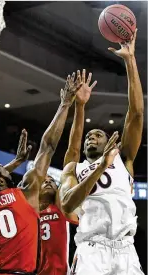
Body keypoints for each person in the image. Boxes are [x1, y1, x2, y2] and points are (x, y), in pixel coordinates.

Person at [0, 70, 98, 275]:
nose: (9, 169)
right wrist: (65, 104)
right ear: (1, 181)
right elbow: (48, 146)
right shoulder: (25, 196)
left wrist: (8, 167)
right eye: (4, 169)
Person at [60, 29, 145, 275]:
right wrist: (79, 106)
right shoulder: (74, 168)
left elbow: (137, 114)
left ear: (110, 143)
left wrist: (130, 61)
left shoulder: (123, 159)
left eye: (97, 134)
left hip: (126, 248)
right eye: (88, 135)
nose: (90, 136)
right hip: (92, 249)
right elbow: (67, 204)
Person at [38, 70, 97, 275]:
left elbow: (71, 151)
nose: (48, 182)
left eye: (51, 182)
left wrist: (78, 107)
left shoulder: (61, 207)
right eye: (44, 181)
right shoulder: (28, 210)